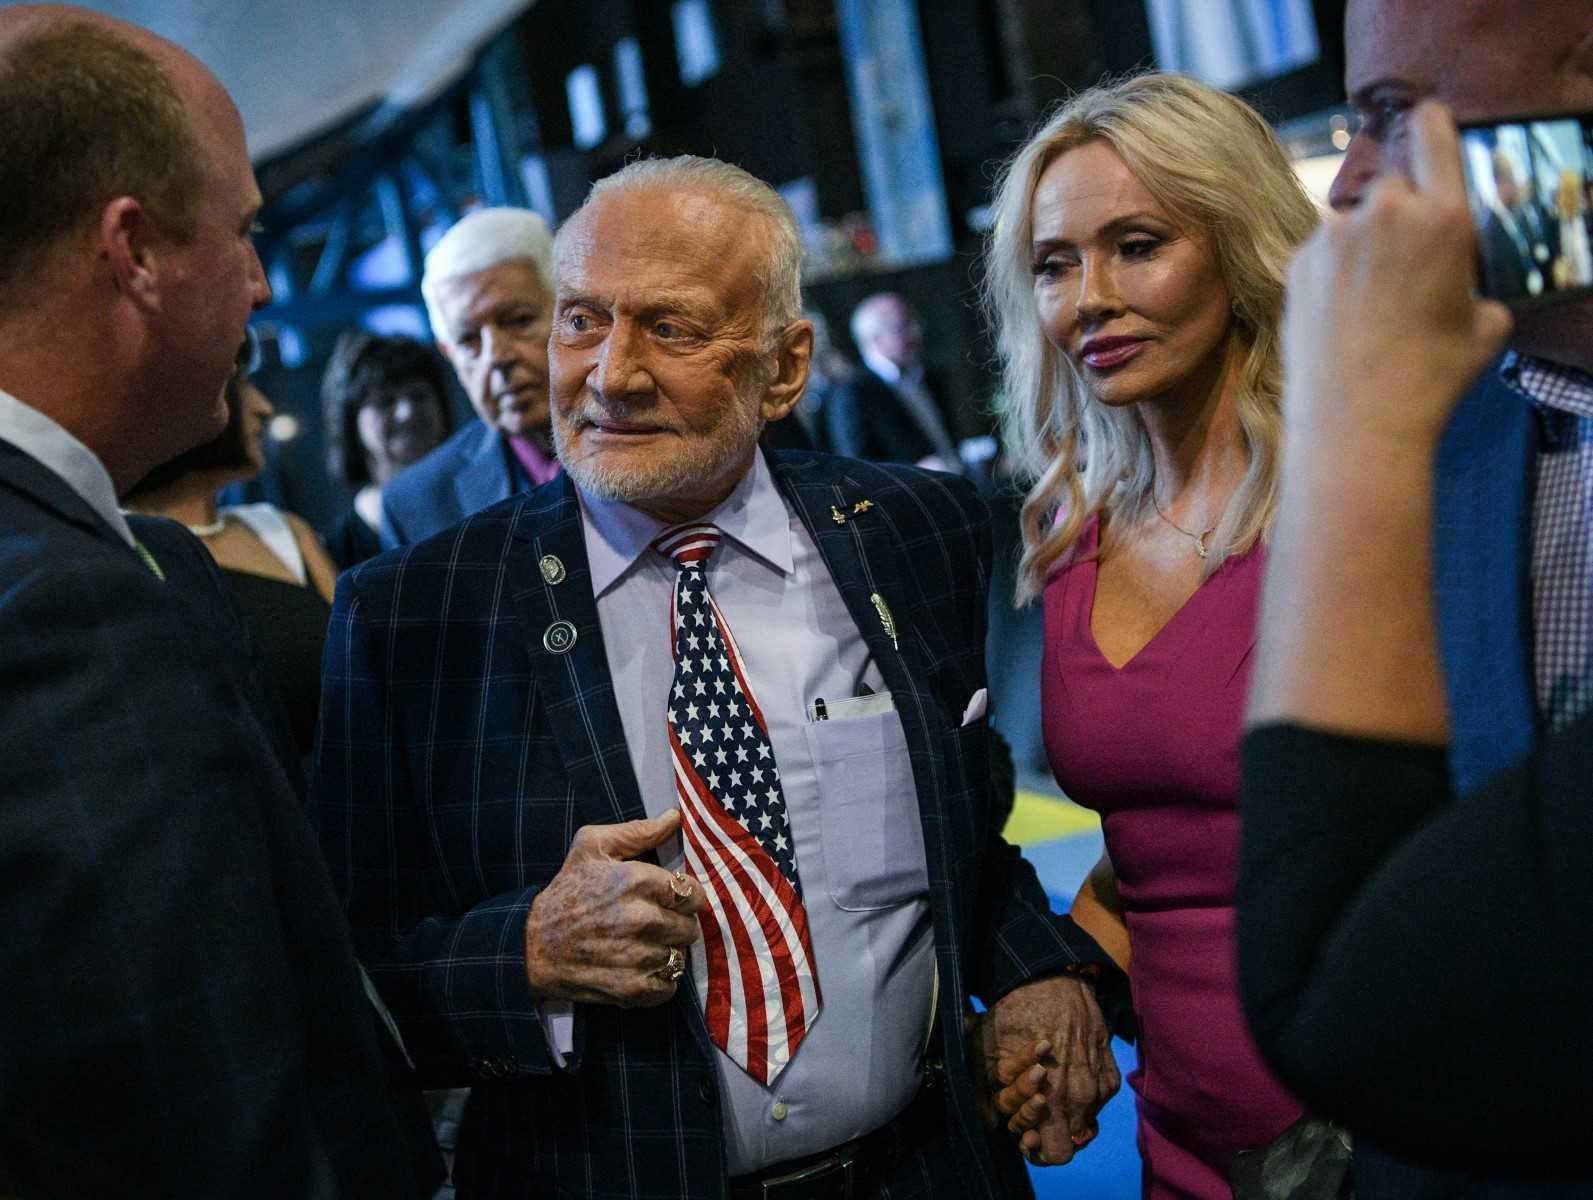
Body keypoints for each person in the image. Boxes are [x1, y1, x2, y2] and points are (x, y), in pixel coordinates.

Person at [311, 154, 1124, 1199]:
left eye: (673, 328)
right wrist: (525, 954)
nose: (610, 373)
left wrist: (1035, 966)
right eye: (580, 322)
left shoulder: (915, 537)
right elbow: (341, 973)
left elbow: (968, 837)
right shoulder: (415, 615)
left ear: (785, 369)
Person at [0, 6, 426, 1195]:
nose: (258, 277)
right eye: (241, 229)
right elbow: (195, 1120)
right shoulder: (67, 617)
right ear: (131, 248)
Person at [1239, 0, 1593, 1195]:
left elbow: (1338, 1006)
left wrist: (1350, 435)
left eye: (1394, 116)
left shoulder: (1383, 435)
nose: (1347, 190)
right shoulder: (1457, 424)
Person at [983, 73, 1318, 1198]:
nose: (1089, 299)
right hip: (1178, 1134)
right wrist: (1061, 998)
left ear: (1237, 244)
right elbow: (1158, 863)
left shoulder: (1360, 501)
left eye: (1137, 245)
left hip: (1378, 1122)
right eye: (1055, 263)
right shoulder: (1069, 540)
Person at [125, 354, 338, 757]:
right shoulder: (121, 551)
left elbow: (364, 678)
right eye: (242, 386)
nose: (264, 406)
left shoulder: (282, 531)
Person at [381, 206, 558, 547]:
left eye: (519, 321)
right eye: (469, 341)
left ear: (572, 311)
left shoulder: (666, 441)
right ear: (449, 355)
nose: (496, 357)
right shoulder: (418, 507)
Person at [320, 328, 453, 568]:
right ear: (351, 423)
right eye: (385, 401)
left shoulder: (486, 498)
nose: (407, 413)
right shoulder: (332, 556)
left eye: (419, 396)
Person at [826, 292, 964, 470]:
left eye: (916, 322)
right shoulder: (852, 393)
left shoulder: (929, 376)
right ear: (876, 339)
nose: (917, 331)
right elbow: (857, 469)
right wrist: (915, 471)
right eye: (904, 326)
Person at [1477, 148, 1558, 299]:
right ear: (1498, 181)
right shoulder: (1489, 233)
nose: (1518, 187)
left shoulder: (1521, 217)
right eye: (1513, 180)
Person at [1552, 168, 1592, 289]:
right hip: (1568, 292)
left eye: (1572, 191)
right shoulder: (1553, 226)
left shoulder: (1588, 220)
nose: (1568, 197)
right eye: (1565, 192)